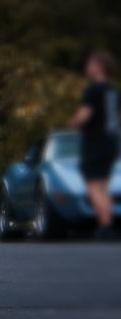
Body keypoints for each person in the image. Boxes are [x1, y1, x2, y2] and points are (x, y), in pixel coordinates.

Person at [69, 51, 119, 239]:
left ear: (98, 66)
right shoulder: (113, 91)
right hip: (111, 144)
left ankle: (106, 227)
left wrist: (74, 122)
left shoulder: (93, 90)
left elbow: (84, 116)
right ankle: (109, 225)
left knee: (94, 186)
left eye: (90, 64)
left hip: (95, 145)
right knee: (103, 186)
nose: (87, 68)